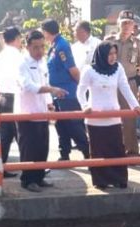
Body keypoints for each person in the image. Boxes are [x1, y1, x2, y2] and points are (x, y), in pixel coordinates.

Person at [77, 42, 140, 189]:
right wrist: (85, 106)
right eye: (110, 54)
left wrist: (135, 106)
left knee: (116, 148)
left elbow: (125, 88)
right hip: (94, 118)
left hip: (113, 116)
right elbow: (80, 91)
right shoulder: (89, 70)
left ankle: (119, 179)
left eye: (115, 53)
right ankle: (101, 181)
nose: (113, 57)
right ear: (101, 54)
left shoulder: (118, 68)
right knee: (98, 150)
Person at [16, 30, 67, 192]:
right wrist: (51, 90)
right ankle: (28, 180)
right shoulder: (22, 64)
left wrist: (50, 104)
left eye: (42, 47)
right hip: (27, 113)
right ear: (27, 47)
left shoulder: (42, 62)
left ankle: (39, 177)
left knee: (42, 147)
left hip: (42, 112)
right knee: (28, 149)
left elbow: (45, 82)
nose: (39, 51)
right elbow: (28, 86)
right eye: (36, 48)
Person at [41, 19, 90, 161]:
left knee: (73, 125)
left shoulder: (61, 45)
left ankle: (87, 151)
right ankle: (64, 153)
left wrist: (81, 88)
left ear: (46, 31)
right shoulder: (54, 46)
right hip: (56, 93)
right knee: (61, 125)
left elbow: (72, 69)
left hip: (67, 92)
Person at [105, 10, 140, 157]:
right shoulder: (108, 41)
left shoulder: (139, 44)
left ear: (134, 26)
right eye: (124, 22)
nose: (127, 25)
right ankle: (113, 149)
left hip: (129, 84)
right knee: (110, 117)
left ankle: (132, 151)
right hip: (110, 83)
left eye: (129, 23)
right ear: (118, 24)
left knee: (130, 118)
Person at [0, 27, 24, 178]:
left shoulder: (0, 56)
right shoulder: (17, 56)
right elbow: (21, 79)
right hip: (16, 97)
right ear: (17, 38)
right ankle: (31, 167)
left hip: (4, 97)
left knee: (5, 137)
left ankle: (0, 168)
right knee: (22, 135)